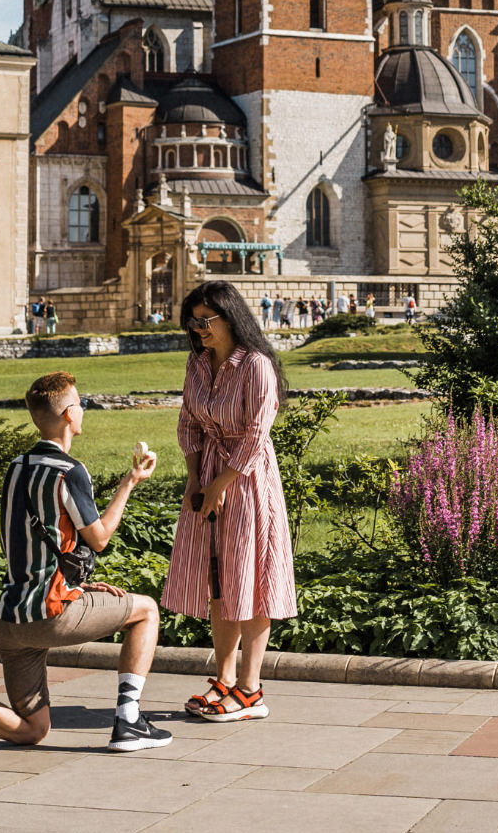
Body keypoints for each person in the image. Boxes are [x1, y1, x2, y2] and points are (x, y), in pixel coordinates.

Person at [0, 371, 172, 760]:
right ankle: (129, 719)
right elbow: (98, 537)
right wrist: (130, 482)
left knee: (34, 729)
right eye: (80, 404)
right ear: (69, 414)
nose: (83, 410)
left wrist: (75, 584)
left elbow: (28, 542)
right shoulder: (69, 471)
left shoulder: (15, 468)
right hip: (52, 613)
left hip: (10, 619)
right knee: (147, 610)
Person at [162, 281, 297, 722]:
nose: (198, 329)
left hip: (247, 478)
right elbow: (188, 422)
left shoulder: (256, 365)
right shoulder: (197, 363)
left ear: (230, 317)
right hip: (208, 476)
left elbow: (258, 433)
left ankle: (250, 689)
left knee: (252, 578)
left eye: (206, 321)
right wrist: (194, 478)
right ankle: (223, 679)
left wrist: (220, 484)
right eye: (193, 321)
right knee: (220, 581)